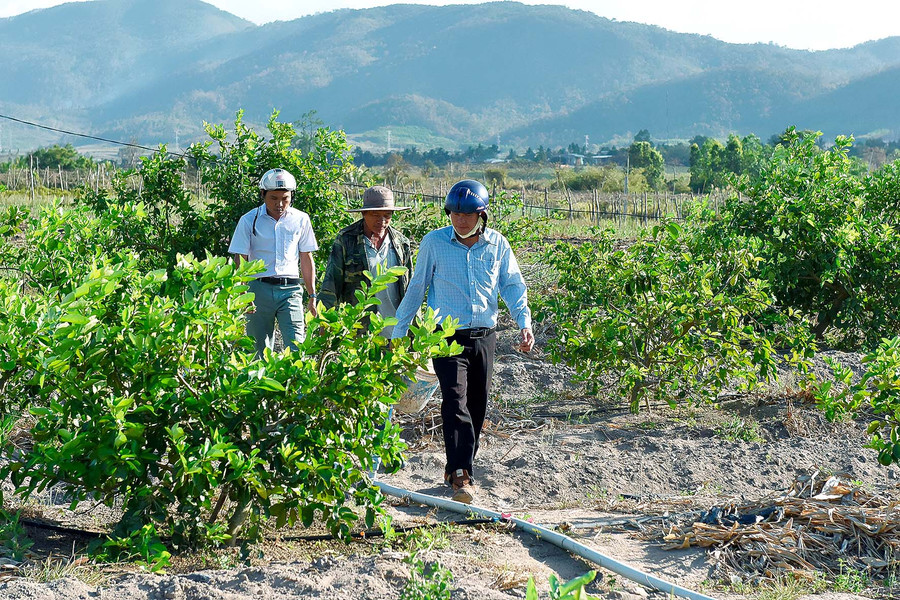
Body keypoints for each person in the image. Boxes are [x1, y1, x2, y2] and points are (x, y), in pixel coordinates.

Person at [391, 179, 534, 503]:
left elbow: (512, 285)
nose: (461, 220)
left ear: (481, 215)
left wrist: (524, 322)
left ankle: (459, 466)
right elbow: (417, 288)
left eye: (468, 215)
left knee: (477, 406)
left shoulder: (497, 245)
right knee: (455, 401)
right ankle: (461, 476)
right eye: (455, 214)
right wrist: (400, 333)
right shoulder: (434, 243)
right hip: (445, 336)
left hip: (485, 336)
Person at [228, 168, 319, 358]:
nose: (279, 204)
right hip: (257, 289)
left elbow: (306, 257)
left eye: (285, 198)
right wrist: (243, 293)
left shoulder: (301, 219)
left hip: (291, 289)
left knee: (297, 347)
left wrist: (312, 295)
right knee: (257, 351)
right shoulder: (248, 220)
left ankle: (296, 388)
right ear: (263, 195)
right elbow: (241, 258)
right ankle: (261, 388)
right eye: (273, 198)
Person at [319, 185, 413, 337]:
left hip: (394, 329)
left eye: (387, 215)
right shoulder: (346, 240)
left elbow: (410, 288)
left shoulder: (401, 243)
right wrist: (324, 322)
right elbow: (331, 283)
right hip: (359, 330)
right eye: (375, 215)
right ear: (364, 214)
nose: (382, 221)